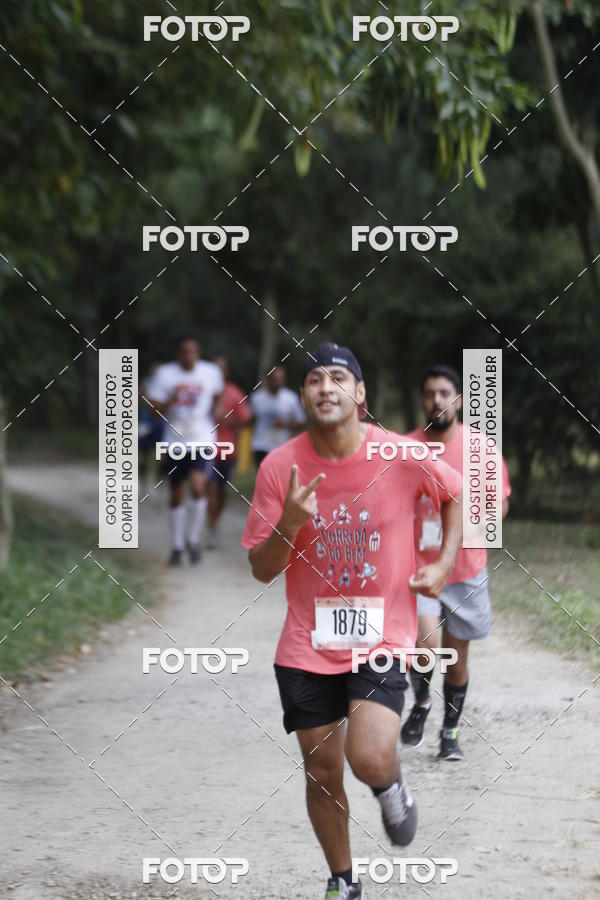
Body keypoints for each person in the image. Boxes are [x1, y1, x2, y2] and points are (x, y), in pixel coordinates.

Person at [241, 343, 463, 900]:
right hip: (305, 646)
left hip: (380, 637)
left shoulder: (399, 454)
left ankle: (390, 785)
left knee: (366, 757)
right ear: (302, 396)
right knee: (322, 772)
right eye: (313, 379)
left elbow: (457, 495)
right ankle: (343, 880)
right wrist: (289, 525)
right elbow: (261, 570)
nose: (325, 387)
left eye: (338, 377)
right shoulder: (279, 467)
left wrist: (441, 564)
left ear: (359, 395)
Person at [401, 364, 511, 760]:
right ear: (422, 400)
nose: (436, 400)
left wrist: (468, 525)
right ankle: (421, 703)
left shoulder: (480, 448)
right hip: (418, 568)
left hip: (465, 571)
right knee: (425, 645)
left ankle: (449, 733)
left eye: (444, 393)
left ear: (459, 400)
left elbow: (500, 504)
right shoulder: (406, 448)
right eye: (429, 393)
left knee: (457, 661)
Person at [147, 336, 224, 566]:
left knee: (199, 486)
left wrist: (217, 410)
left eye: (193, 352)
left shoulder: (210, 372)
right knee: (176, 493)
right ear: (178, 354)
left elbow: (218, 395)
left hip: (202, 439)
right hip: (175, 441)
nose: (189, 357)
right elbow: (153, 412)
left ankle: (193, 540)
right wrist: (173, 397)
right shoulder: (165, 375)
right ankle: (178, 545)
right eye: (184, 352)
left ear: (198, 353)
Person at [206, 355, 252, 548]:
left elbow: (245, 419)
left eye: (221, 369)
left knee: (222, 491)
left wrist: (228, 421)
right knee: (211, 488)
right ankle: (212, 527)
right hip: (206, 448)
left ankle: (215, 519)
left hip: (228, 448)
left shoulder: (234, 393)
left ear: (225, 372)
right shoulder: (203, 390)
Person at [250, 366, 306, 468]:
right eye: (275, 379)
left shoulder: (290, 398)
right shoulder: (257, 398)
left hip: (281, 445)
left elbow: (300, 421)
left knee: (278, 477)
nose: (278, 383)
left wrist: (286, 424)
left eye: (280, 380)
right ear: (268, 379)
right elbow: (250, 419)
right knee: (263, 476)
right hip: (261, 445)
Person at [138, 362, 164, 493]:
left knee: (162, 455)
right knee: (143, 454)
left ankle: (159, 483)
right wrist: (143, 393)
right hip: (146, 422)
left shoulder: (166, 385)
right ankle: (142, 483)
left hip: (161, 424)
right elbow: (138, 399)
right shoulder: (146, 383)